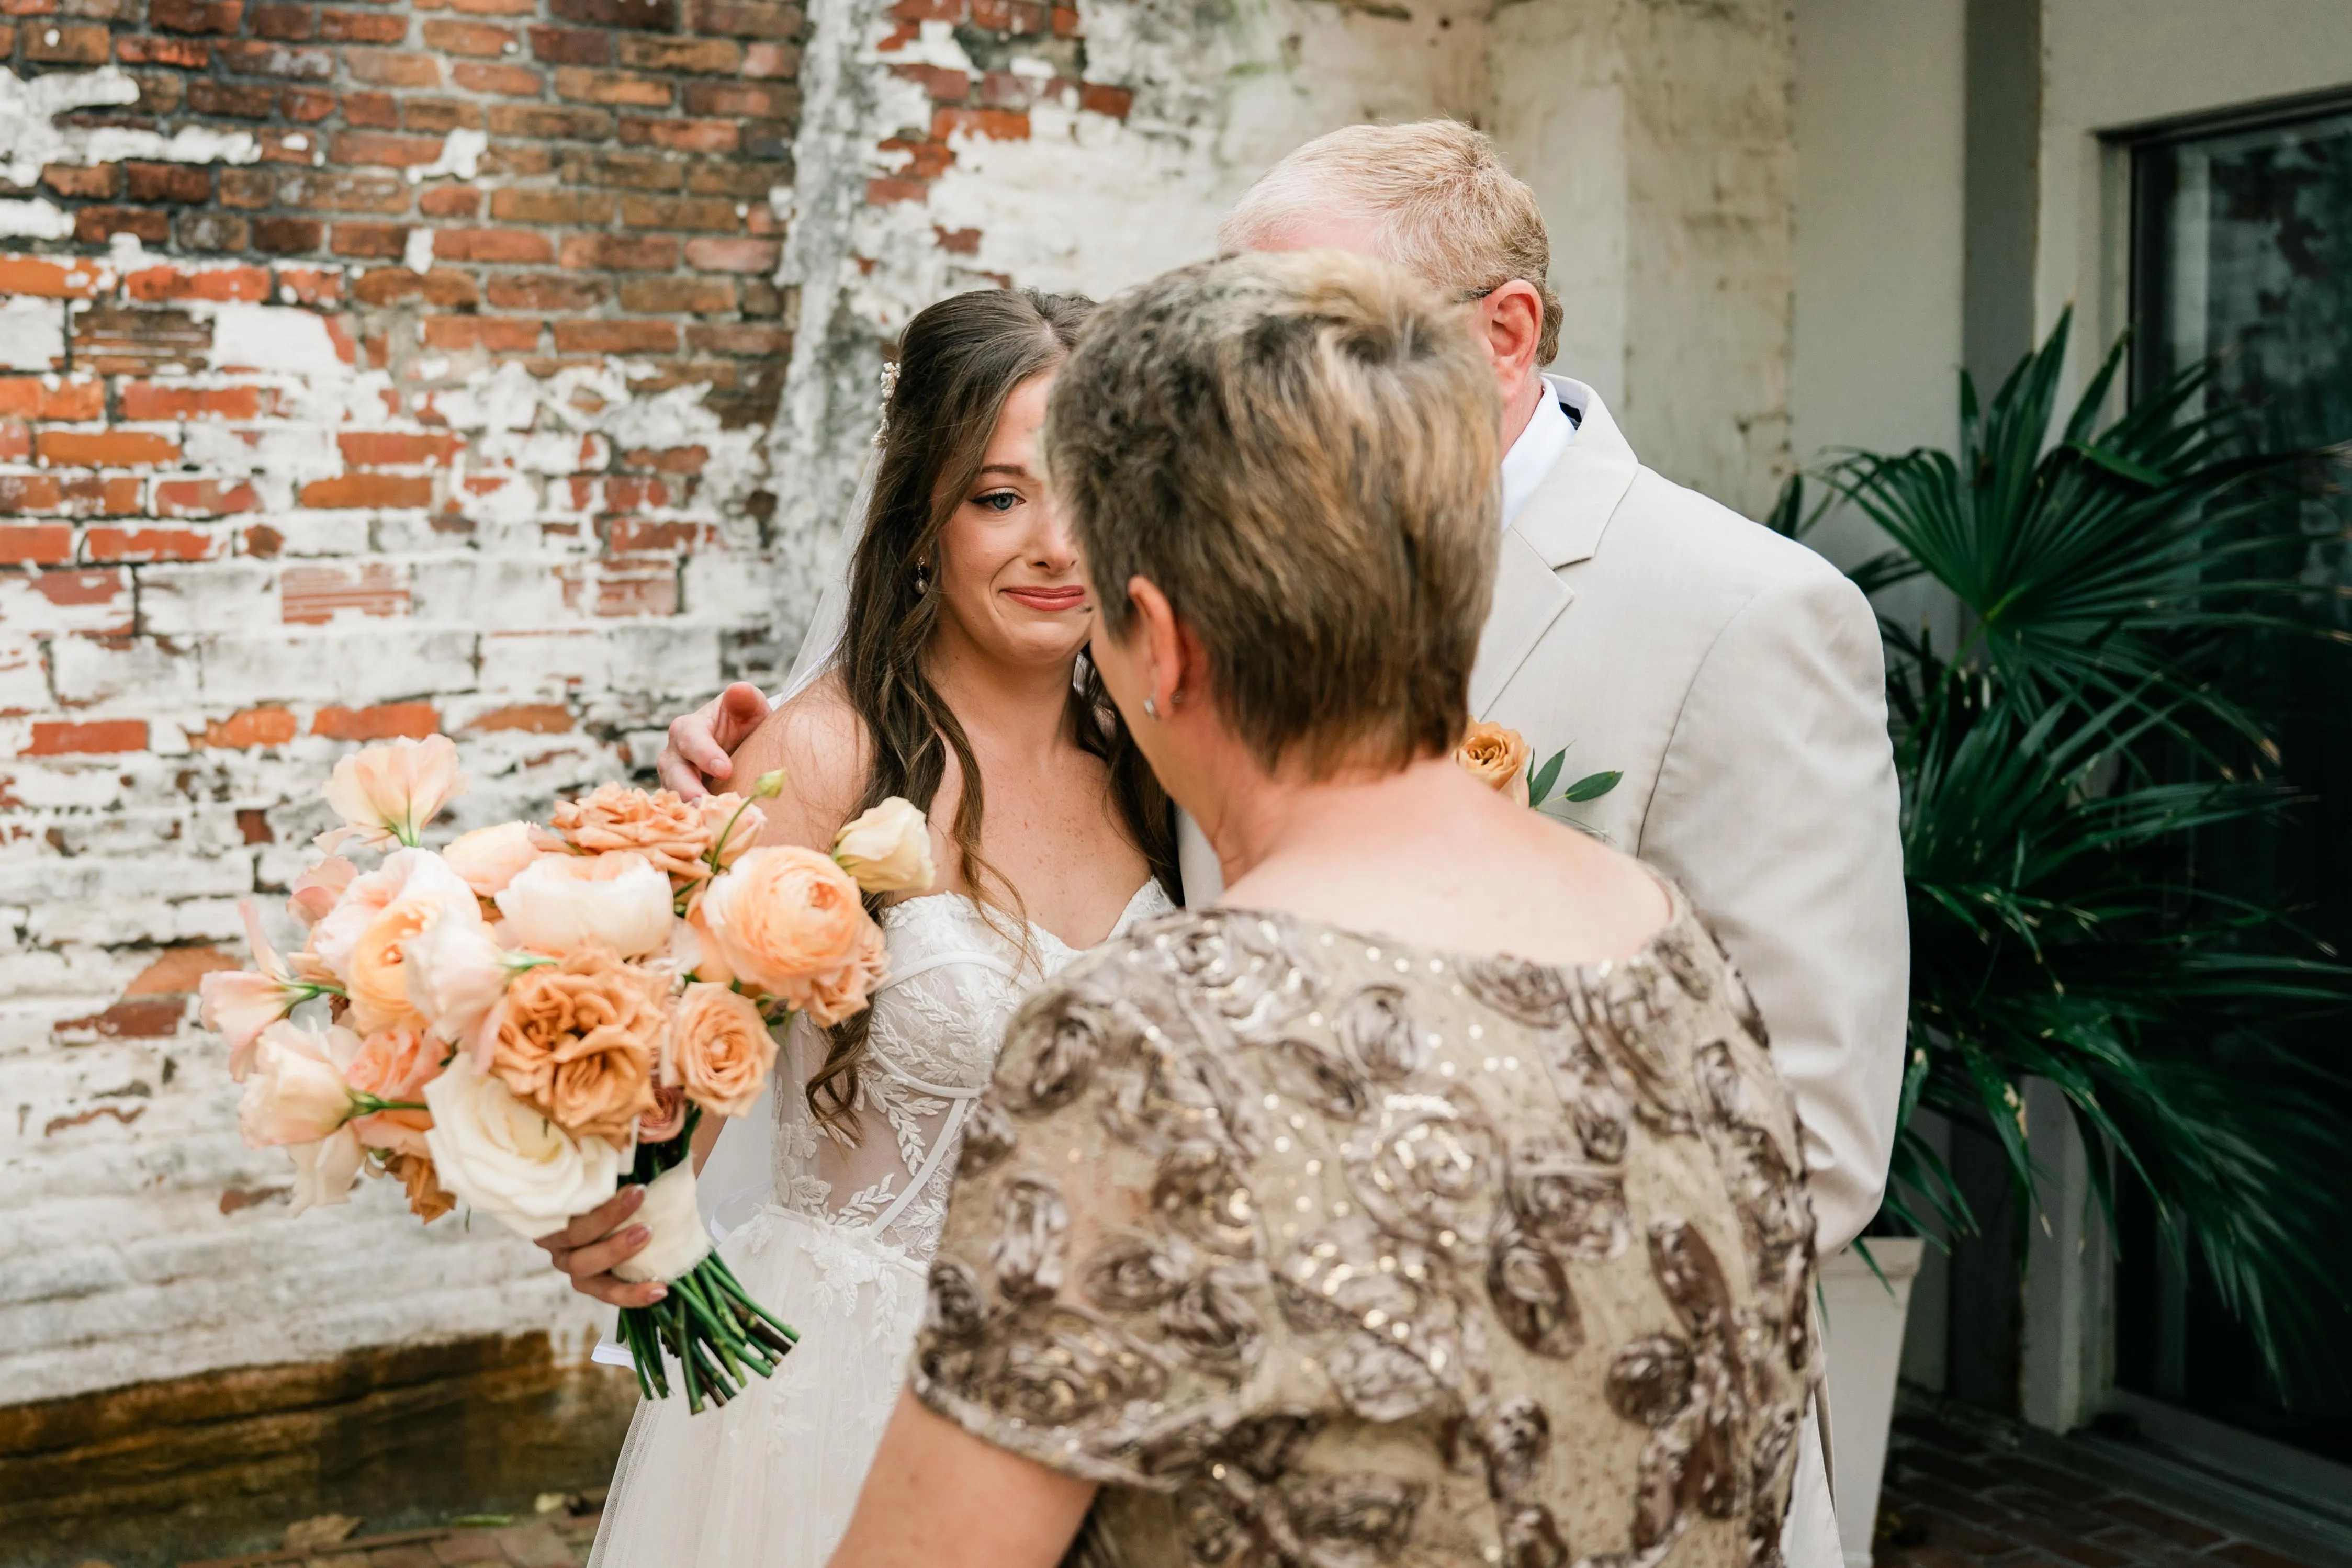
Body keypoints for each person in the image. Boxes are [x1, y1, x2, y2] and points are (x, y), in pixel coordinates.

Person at [660, 122, 1901, 1561]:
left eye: (1303, 337)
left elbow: (1800, 1150)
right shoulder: (1651, 936)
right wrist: (783, 766)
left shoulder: (1746, 616)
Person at [535, 286, 1180, 1568]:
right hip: (853, 1399)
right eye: (1000, 497)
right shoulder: (823, 759)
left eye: (1086, 490)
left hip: (1114, 1388)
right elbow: (674, 1109)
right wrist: (617, 1211)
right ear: (921, 519)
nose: (1057, 543)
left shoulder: (1160, 762)